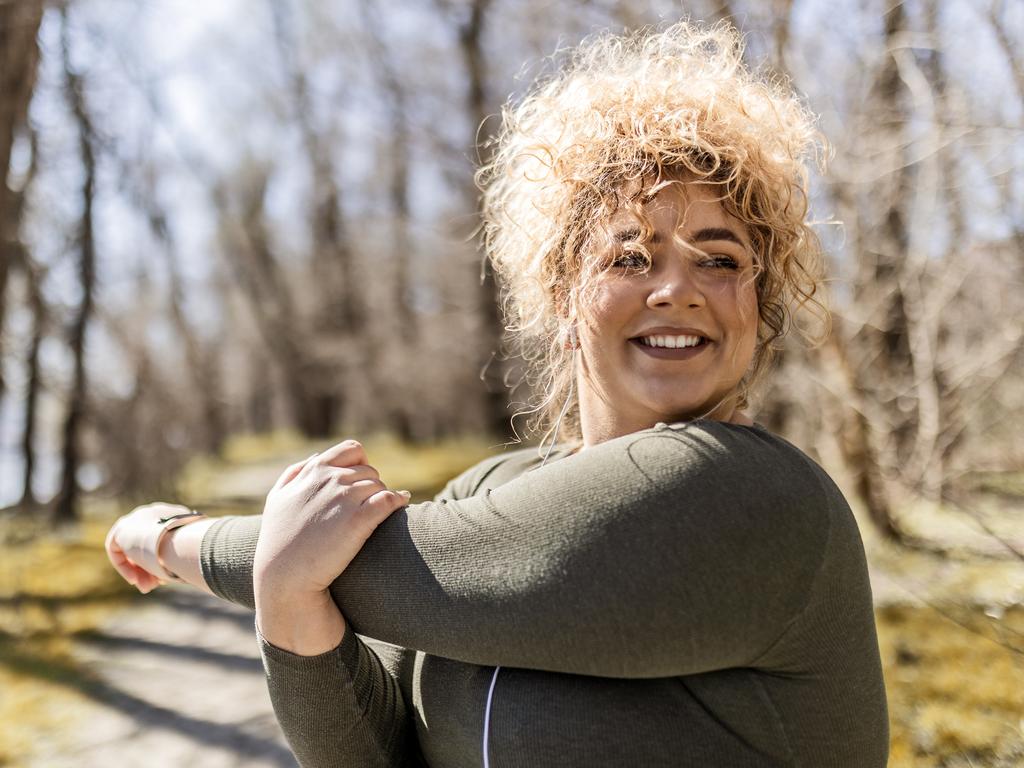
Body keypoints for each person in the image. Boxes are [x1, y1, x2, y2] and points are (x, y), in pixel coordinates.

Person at [105, 20, 890, 768]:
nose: (677, 290)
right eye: (631, 257)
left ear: (762, 305)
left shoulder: (758, 496)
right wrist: (284, 602)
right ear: (563, 300)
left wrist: (170, 540)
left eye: (719, 260)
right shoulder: (496, 488)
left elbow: (380, 573)